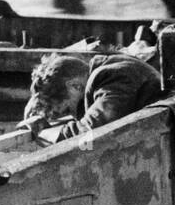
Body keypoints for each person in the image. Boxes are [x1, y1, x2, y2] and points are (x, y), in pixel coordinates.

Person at [17, 52, 162, 142]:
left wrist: (42, 131)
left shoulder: (112, 76)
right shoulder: (113, 65)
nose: (74, 116)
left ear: (75, 86)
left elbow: (91, 133)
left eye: (68, 109)